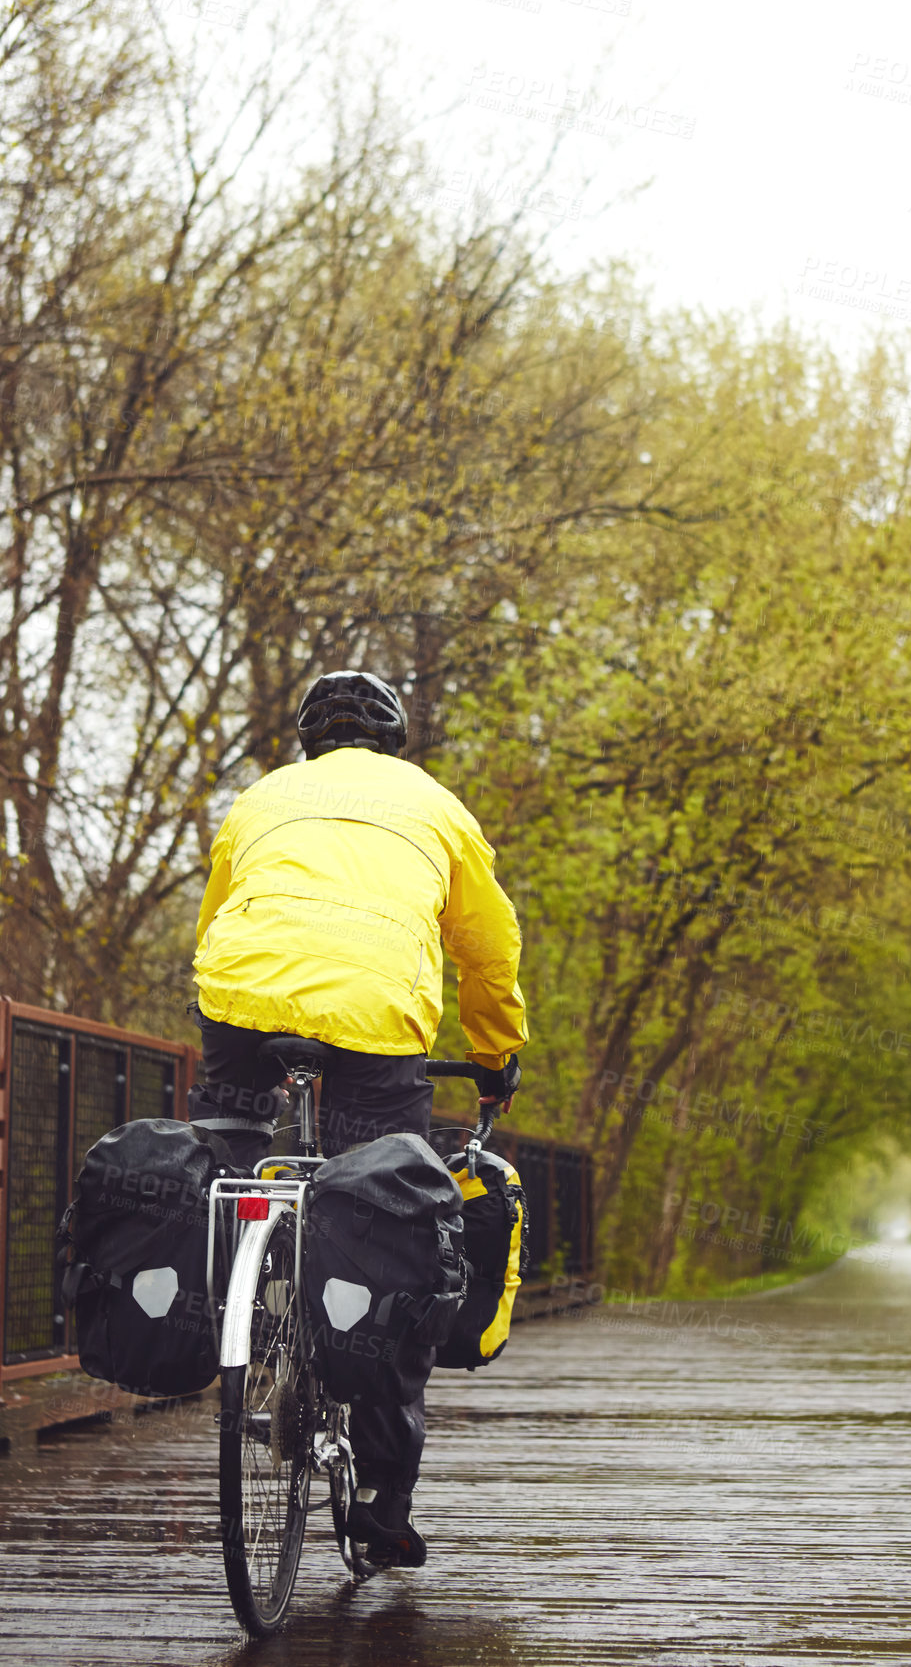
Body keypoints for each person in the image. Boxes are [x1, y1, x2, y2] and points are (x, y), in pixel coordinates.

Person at [188, 670, 527, 1567]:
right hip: (376, 1020)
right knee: (391, 1220)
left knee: (225, 1152)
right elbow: (490, 950)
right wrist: (494, 1053)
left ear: (309, 742)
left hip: (240, 1005)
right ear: (394, 740)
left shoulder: (261, 798)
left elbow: (219, 917)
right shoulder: (437, 806)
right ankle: (384, 1497)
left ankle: (234, 1308)